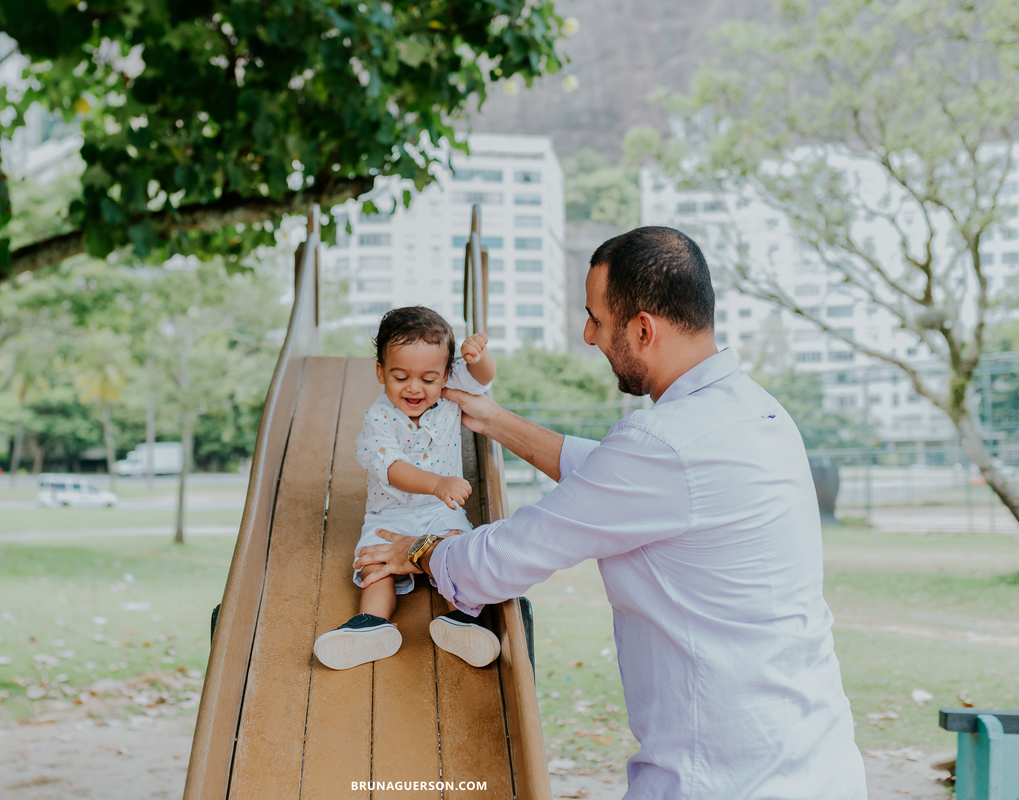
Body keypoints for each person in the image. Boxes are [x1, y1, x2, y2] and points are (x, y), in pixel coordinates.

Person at [354, 228, 868, 799]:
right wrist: (495, 421)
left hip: (720, 776)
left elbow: (513, 552)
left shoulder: (663, 444)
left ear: (643, 329)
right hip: (815, 758)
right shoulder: (755, 412)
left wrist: (418, 549)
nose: (588, 334)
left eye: (596, 318)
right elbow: (610, 473)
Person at [312, 306, 503, 671]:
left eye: (429, 379)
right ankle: (372, 624)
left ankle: (464, 620)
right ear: (381, 372)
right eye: (401, 377)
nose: (415, 388)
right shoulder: (378, 417)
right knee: (375, 564)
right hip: (390, 516)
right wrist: (437, 483)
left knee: (458, 551)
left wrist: (480, 357)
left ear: (447, 374)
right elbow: (393, 468)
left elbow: (482, 377)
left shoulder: (448, 395)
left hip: (440, 513)